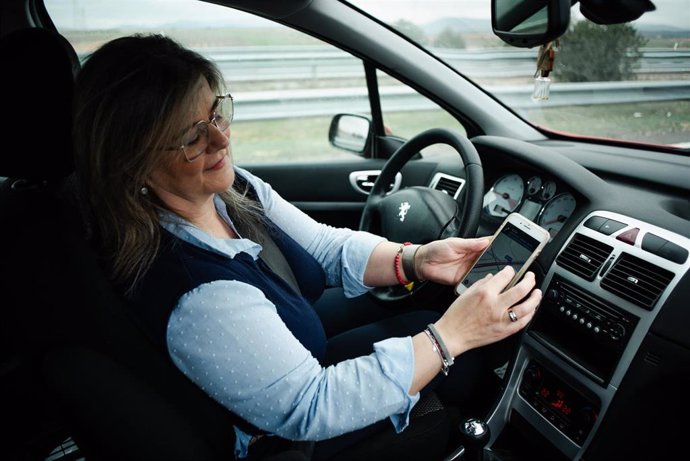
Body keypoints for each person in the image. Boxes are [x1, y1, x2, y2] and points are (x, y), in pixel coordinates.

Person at [72, 34, 542, 460]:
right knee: (464, 363)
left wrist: (417, 259)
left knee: (431, 329)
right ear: (135, 163)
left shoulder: (233, 193)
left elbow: (324, 247)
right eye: (191, 136)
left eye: (216, 113)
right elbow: (311, 408)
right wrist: (452, 338)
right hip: (288, 440)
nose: (220, 138)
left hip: (300, 369)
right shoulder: (196, 294)